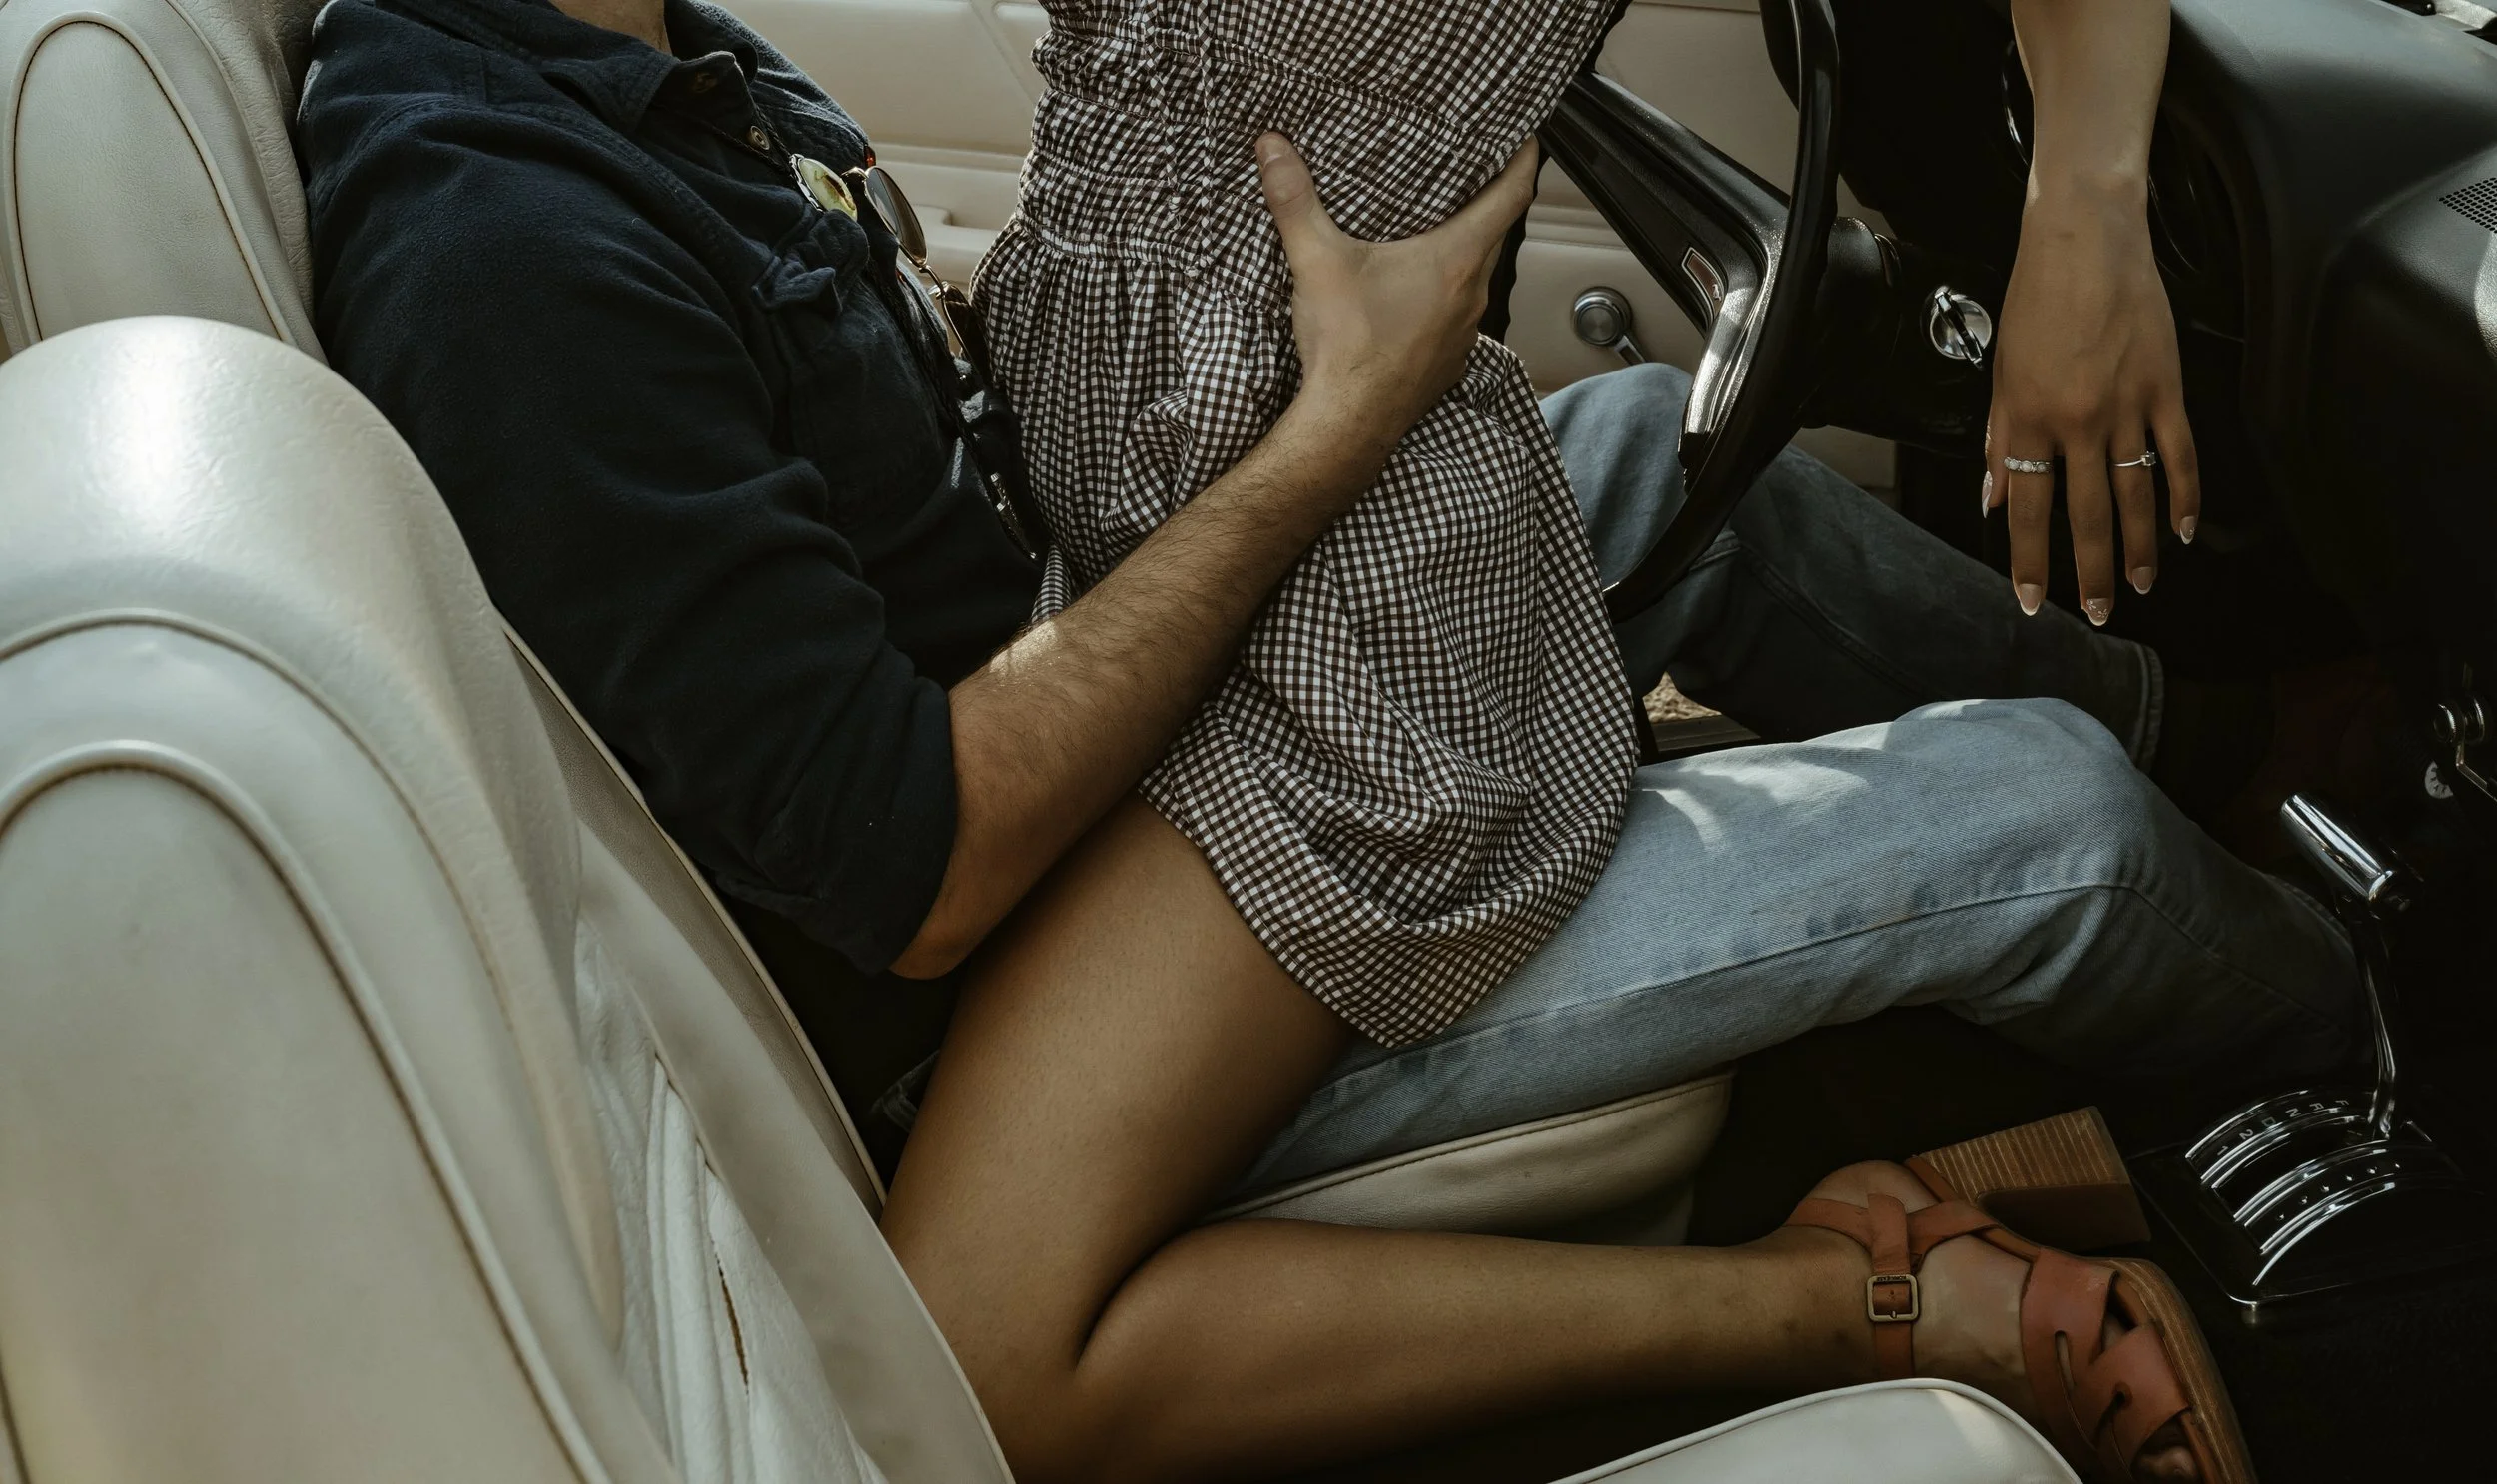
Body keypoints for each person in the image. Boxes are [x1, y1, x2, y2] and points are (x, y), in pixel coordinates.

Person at [299, 0, 2354, 1476]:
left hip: (1095, 710)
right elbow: (917, 864)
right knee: (2046, 829)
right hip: (1026, 965)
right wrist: (1335, 430)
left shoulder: (651, 60)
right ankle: (2351, 1041)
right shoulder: (509, 247)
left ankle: (2230, 749)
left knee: (1650, 449)